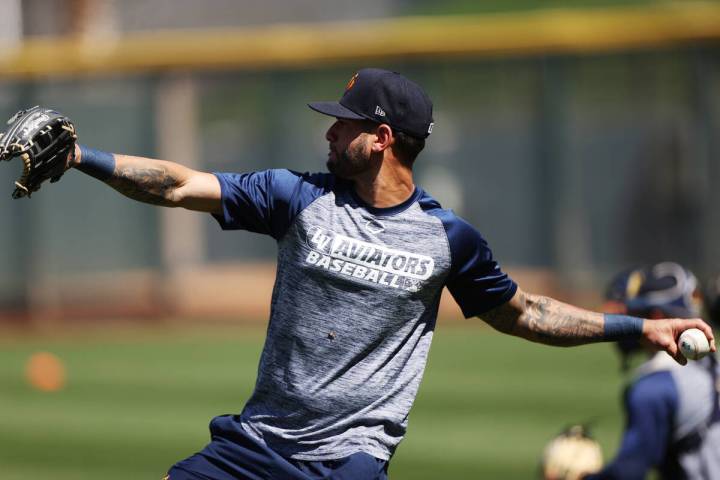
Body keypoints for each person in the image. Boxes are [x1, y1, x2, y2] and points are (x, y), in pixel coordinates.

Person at [65, 68, 714, 480]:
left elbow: (527, 314)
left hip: (346, 464)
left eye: (341, 123)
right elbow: (179, 185)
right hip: (255, 448)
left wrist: (641, 327)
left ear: (380, 137)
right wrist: (78, 156)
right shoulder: (297, 197)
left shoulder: (447, 238)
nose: (327, 133)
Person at [586, 262, 720, 479]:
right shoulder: (711, 365)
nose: (625, 322)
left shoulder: (655, 388)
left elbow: (629, 472)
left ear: (656, 317)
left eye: (633, 313)